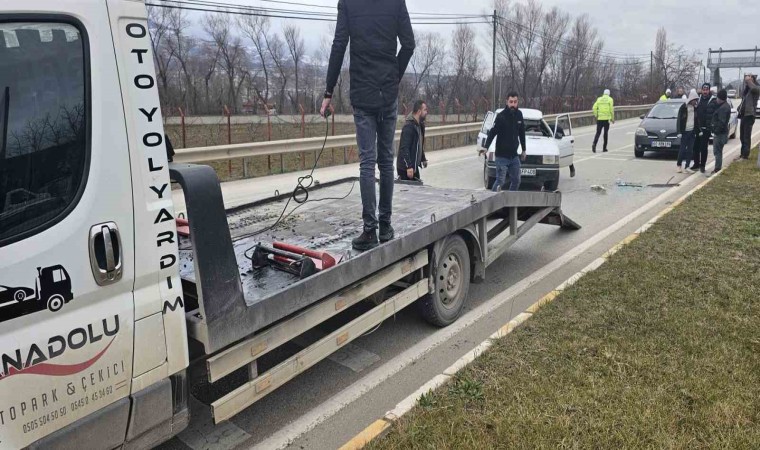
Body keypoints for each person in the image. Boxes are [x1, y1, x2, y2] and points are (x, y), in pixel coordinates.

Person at [321, 0, 415, 251]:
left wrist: (328, 91)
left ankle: (369, 230)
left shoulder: (348, 3)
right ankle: (385, 226)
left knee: (367, 162)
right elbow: (409, 44)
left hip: (363, 92)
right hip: (387, 92)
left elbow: (339, 45)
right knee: (385, 160)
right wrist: (394, 76)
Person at [484, 92, 527, 192]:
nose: (513, 104)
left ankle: (510, 202)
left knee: (516, 180)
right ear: (507, 102)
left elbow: (522, 133)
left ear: (517, 102)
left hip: (514, 156)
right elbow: (492, 132)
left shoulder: (519, 115)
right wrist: (486, 147)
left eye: (515, 102)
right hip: (501, 156)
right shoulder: (501, 116)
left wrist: (524, 150)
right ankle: (491, 201)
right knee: (500, 181)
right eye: (511, 102)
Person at [397, 100, 428, 181]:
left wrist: (423, 158)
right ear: (419, 111)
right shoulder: (409, 127)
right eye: (425, 110)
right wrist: (409, 167)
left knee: (417, 190)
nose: (426, 112)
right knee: (408, 192)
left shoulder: (420, 126)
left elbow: (419, 144)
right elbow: (404, 148)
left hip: (413, 166)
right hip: (405, 168)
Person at [691, 83, 718, 173]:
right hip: (697, 127)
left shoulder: (713, 100)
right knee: (695, 147)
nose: (705, 91)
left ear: (709, 90)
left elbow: (715, 114)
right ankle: (696, 164)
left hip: (706, 128)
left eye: (706, 90)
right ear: (701, 90)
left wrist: (712, 125)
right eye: (704, 90)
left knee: (703, 148)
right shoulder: (698, 100)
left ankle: (702, 165)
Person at [676, 89, 699, 173]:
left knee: (690, 150)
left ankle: (687, 166)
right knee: (682, 149)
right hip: (684, 132)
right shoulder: (684, 107)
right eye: (695, 100)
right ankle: (679, 165)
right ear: (691, 99)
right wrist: (679, 131)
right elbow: (679, 120)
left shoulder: (695, 108)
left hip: (692, 132)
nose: (695, 101)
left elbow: (697, 120)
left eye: (696, 100)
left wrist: (698, 130)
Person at [738, 74, 760, 160]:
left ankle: (745, 155)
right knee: (742, 136)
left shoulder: (756, 88)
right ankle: (742, 153)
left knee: (746, 136)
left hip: (750, 115)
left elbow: (755, 89)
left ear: (753, 80)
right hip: (744, 114)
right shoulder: (747, 89)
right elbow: (744, 100)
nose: (747, 80)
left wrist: (749, 81)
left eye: (750, 79)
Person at [710, 89, 731, 175]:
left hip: (720, 134)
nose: (716, 100)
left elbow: (721, 122)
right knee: (718, 151)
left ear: (720, 98)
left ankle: (717, 168)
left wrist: (716, 131)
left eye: (717, 98)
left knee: (717, 151)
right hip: (722, 133)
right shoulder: (725, 106)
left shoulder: (723, 108)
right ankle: (717, 167)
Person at [592, 88, 615, 153]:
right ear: (609, 94)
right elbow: (611, 110)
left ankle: (594, 144)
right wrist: (612, 119)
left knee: (598, 132)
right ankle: (604, 148)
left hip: (599, 119)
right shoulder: (610, 99)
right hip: (606, 119)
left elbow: (594, 108)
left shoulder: (599, 99)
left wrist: (596, 115)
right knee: (605, 133)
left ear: (603, 93)